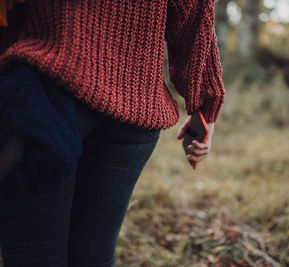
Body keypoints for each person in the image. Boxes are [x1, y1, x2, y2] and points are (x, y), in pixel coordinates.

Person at [0, 0, 226, 266]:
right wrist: (205, 109)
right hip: (134, 106)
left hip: (44, 93)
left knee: (35, 255)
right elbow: (195, 15)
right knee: (94, 256)